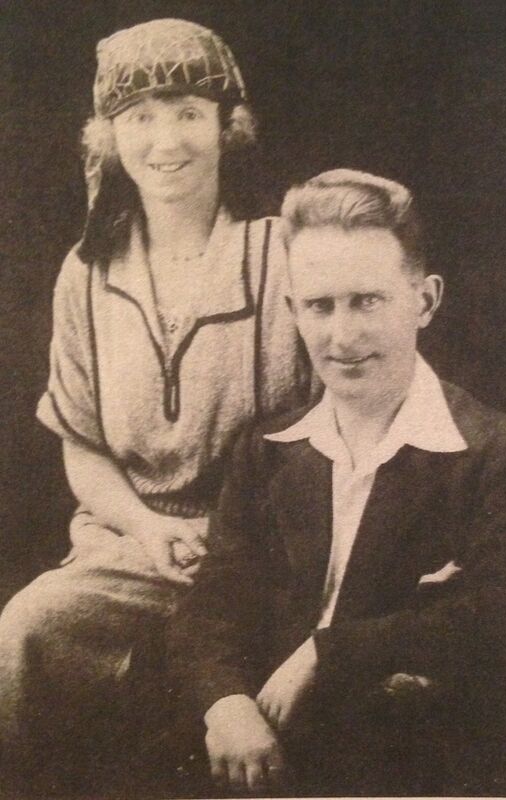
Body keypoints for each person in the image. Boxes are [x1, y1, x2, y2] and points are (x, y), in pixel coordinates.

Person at [0, 18, 311, 793]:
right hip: (132, 551)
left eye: (187, 113)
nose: (164, 140)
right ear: (108, 136)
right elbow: (83, 443)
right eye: (139, 117)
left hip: (268, 557)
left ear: (227, 128)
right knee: (24, 636)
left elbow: (332, 426)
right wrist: (147, 525)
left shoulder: (281, 255)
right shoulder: (86, 273)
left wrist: (234, 532)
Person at [172, 169, 506, 797]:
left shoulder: (500, 454)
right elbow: (215, 604)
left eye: (368, 301)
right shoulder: (266, 449)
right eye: (320, 305)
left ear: (425, 300)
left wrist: (325, 653)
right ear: (292, 312)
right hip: (261, 757)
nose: (342, 337)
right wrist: (225, 703)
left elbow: (502, 618)